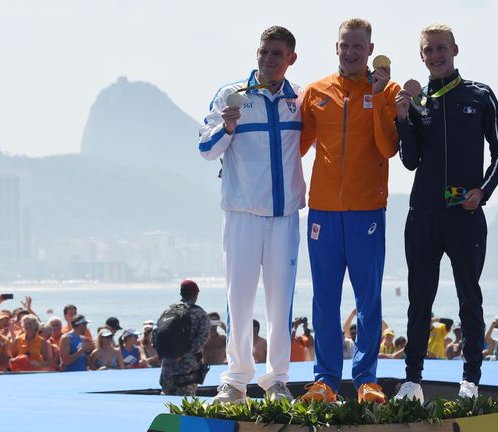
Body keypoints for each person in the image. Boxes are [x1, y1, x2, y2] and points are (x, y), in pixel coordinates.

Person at [393, 23, 498, 403]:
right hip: (423, 214)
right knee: (419, 299)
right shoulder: (416, 100)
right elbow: (410, 161)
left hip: (465, 214)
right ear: (422, 55)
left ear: (455, 50)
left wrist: (483, 191)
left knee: (469, 299)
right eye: (429, 50)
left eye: (442, 48)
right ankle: (412, 381)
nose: (436, 55)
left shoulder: (479, 95)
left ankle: (470, 380)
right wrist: (402, 120)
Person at [199, 25, 305, 404]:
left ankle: (277, 379)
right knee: (238, 298)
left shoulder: (299, 100)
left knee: (281, 301)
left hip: (284, 216)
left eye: (277, 53)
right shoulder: (231, 95)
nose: (268, 59)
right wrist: (227, 127)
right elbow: (206, 148)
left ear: (291, 58)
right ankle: (237, 379)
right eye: (263, 51)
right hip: (242, 214)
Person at [299, 18, 400, 405]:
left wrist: (375, 97)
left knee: (368, 299)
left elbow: (388, 147)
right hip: (323, 213)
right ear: (336, 47)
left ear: (370, 50)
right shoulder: (316, 91)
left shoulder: (386, 90)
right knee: (324, 300)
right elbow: (297, 146)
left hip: (367, 212)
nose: (352, 52)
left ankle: (366, 381)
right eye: (346, 45)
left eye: (359, 46)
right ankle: (324, 380)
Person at [159, 280, 210, 396]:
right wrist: (182, 355)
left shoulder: (168, 311)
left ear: (181, 293)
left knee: (166, 402)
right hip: (187, 369)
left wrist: (167, 355)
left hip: (167, 366)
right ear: (195, 294)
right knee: (185, 404)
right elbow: (202, 339)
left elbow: (156, 335)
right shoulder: (200, 314)